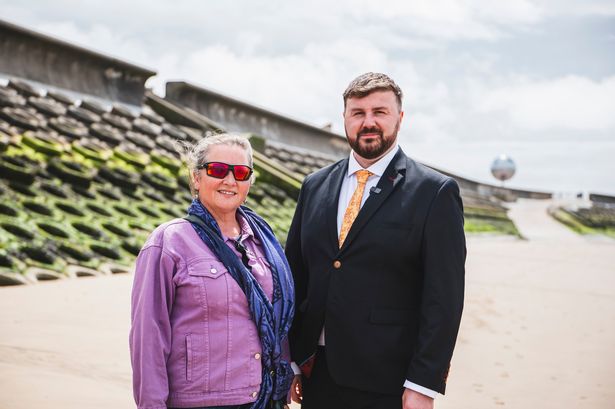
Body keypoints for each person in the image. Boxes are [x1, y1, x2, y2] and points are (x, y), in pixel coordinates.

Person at [285, 73, 466, 409]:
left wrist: (422, 383)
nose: (368, 122)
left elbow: (444, 298)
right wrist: (291, 360)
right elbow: (296, 276)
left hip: (389, 379)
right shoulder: (314, 185)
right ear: (344, 119)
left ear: (400, 117)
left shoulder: (435, 192)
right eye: (358, 113)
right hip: (317, 374)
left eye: (379, 112)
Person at [130, 133, 294, 409]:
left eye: (241, 173)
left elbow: (278, 320)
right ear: (196, 178)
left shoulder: (263, 244)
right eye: (218, 170)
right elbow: (148, 338)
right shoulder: (169, 242)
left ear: (249, 183)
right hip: (201, 401)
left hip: (263, 398)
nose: (229, 180)